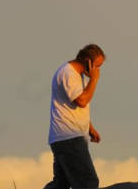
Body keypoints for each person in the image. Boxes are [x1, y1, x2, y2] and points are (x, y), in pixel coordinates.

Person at [43, 44, 106, 189]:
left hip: (66, 138)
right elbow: (82, 101)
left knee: (61, 184)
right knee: (88, 183)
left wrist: (90, 128)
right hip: (69, 138)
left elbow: (74, 107)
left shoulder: (77, 76)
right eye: (97, 66)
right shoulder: (68, 74)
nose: (98, 71)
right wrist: (94, 80)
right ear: (87, 62)